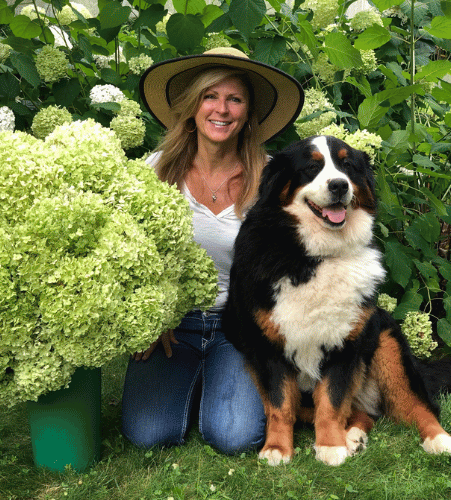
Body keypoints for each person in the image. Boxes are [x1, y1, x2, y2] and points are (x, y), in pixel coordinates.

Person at [121, 47, 304, 454]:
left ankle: (221, 374)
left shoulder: (272, 179)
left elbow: (290, 269)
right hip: (172, 326)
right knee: (149, 435)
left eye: (235, 99)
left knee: (235, 437)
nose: (221, 109)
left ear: (248, 113)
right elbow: (127, 254)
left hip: (239, 327)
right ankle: (195, 375)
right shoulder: (155, 170)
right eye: (210, 96)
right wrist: (148, 319)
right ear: (192, 107)